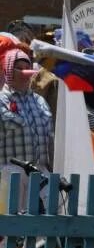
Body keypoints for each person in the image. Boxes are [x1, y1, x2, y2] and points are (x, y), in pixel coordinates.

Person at [0, 45, 53, 213]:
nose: (25, 72)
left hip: (41, 172)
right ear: (8, 70)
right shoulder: (1, 100)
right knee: (10, 228)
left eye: (27, 68)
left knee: (45, 226)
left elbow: (50, 137)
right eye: (19, 68)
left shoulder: (40, 101)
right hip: (10, 172)